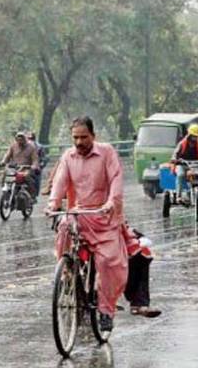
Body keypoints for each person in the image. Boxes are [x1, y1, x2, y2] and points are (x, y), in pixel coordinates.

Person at [47, 116, 128, 331]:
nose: (79, 142)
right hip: (78, 215)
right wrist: (53, 204)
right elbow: (60, 182)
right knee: (63, 228)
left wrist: (112, 202)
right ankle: (67, 274)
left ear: (93, 136)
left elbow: (116, 180)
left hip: (103, 216)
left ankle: (106, 310)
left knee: (109, 263)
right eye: (75, 138)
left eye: (84, 137)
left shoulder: (107, 153)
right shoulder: (68, 156)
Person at [171, 123, 198, 203]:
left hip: (197, 164)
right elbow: (175, 154)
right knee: (180, 175)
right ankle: (179, 196)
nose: (194, 138)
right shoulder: (182, 143)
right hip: (183, 164)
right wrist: (175, 159)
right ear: (189, 134)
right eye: (193, 136)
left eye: (196, 136)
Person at [0, 131, 40, 197]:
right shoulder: (13, 146)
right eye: (18, 139)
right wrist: (3, 162)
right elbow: (7, 156)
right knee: (5, 173)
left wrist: (33, 166)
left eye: (21, 139)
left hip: (26, 168)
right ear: (16, 139)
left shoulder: (31, 147)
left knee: (27, 176)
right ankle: (4, 189)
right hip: (14, 168)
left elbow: (35, 159)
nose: (20, 141)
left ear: (25, 139)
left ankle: (32, 194)